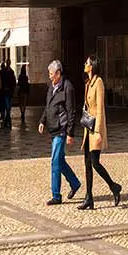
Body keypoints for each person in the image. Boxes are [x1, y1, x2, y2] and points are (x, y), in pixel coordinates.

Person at [79, 55, 121, 210]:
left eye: (87, 63)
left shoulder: (99, 82)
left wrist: (98, 132)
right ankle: (89, 198)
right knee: (87, 164)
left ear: (93, 66)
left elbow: (100, 109)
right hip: (87, 128)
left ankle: (114, 186)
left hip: (95, 128)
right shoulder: (88, 83)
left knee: (95, 163)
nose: (85, 64)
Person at [38, 59, 80, 205]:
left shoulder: (67, 87)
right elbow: (48, 106)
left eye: (51, 74)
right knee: (60, 161)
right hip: (53, 128)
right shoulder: (52, 87)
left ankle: (56, 195)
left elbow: (71, 111)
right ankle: (75, 183)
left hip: (61, 130)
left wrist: (70, 133)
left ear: (58, 73)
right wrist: (42, 121)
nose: (49, 76)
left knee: (55, 162)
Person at [0, 60, 17, 129]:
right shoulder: (3, 72)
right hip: (4, 92)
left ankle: (7, 120)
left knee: (8, 107)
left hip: (8, 92)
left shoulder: (11, 72)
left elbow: (13, 82)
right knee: (6, 107)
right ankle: (7, 120)